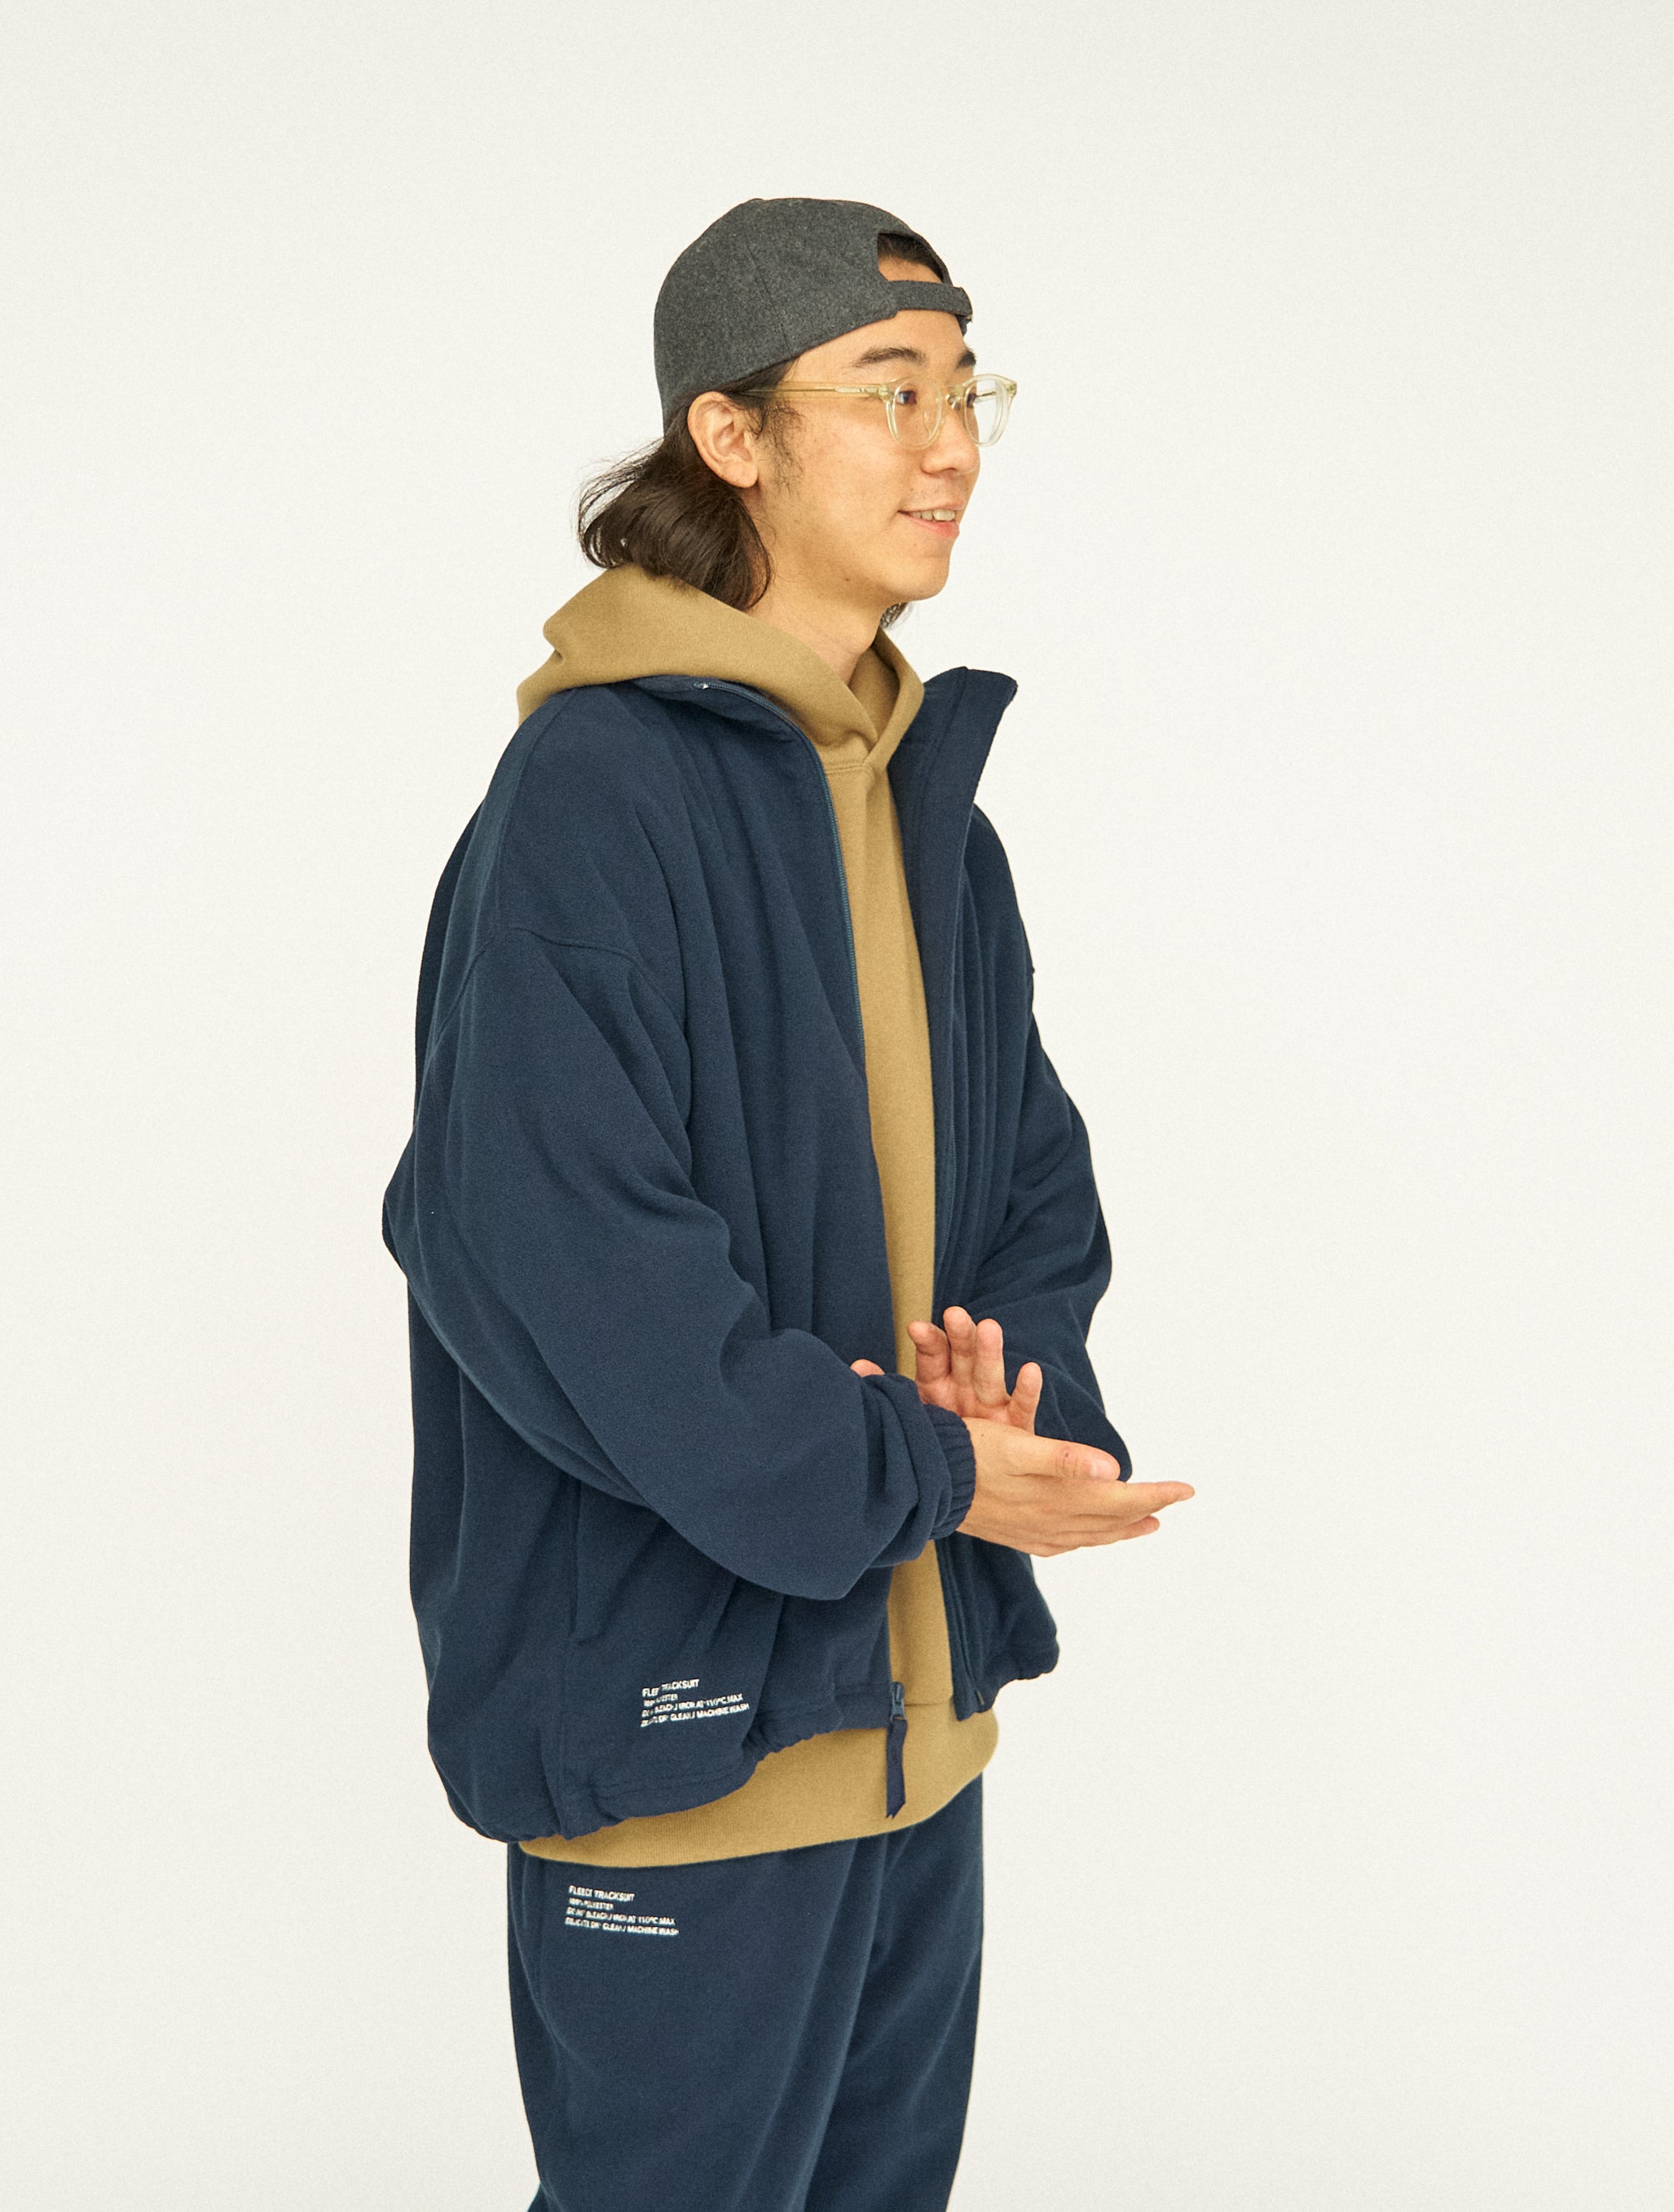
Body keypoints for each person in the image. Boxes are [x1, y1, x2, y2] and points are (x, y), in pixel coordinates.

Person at [382, 194, 1195, 2212]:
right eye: (887, 391)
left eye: (967, 391)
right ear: (730, 434)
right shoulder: (592, 800)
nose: (951, 445)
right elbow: (559, 1266)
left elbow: (1032, 1189)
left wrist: (1011, 1403)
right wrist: (927, 1470)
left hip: (915, 1731)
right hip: (683, 1746)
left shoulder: (931, 815)